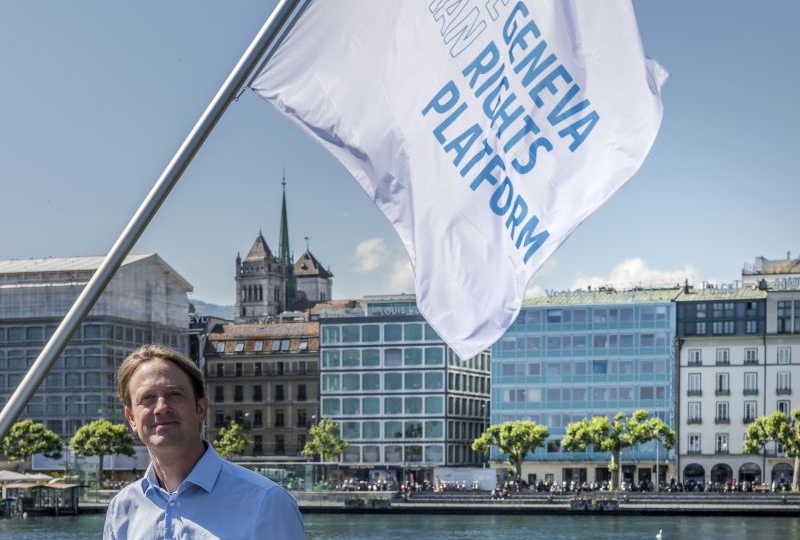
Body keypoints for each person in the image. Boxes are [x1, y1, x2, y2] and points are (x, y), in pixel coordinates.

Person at [103, 344, 306, 539]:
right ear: (131, 418)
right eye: (147, 397)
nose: (161, 407)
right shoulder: (122, 509)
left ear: (200, 408)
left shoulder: (266, 502)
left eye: (174, 394)